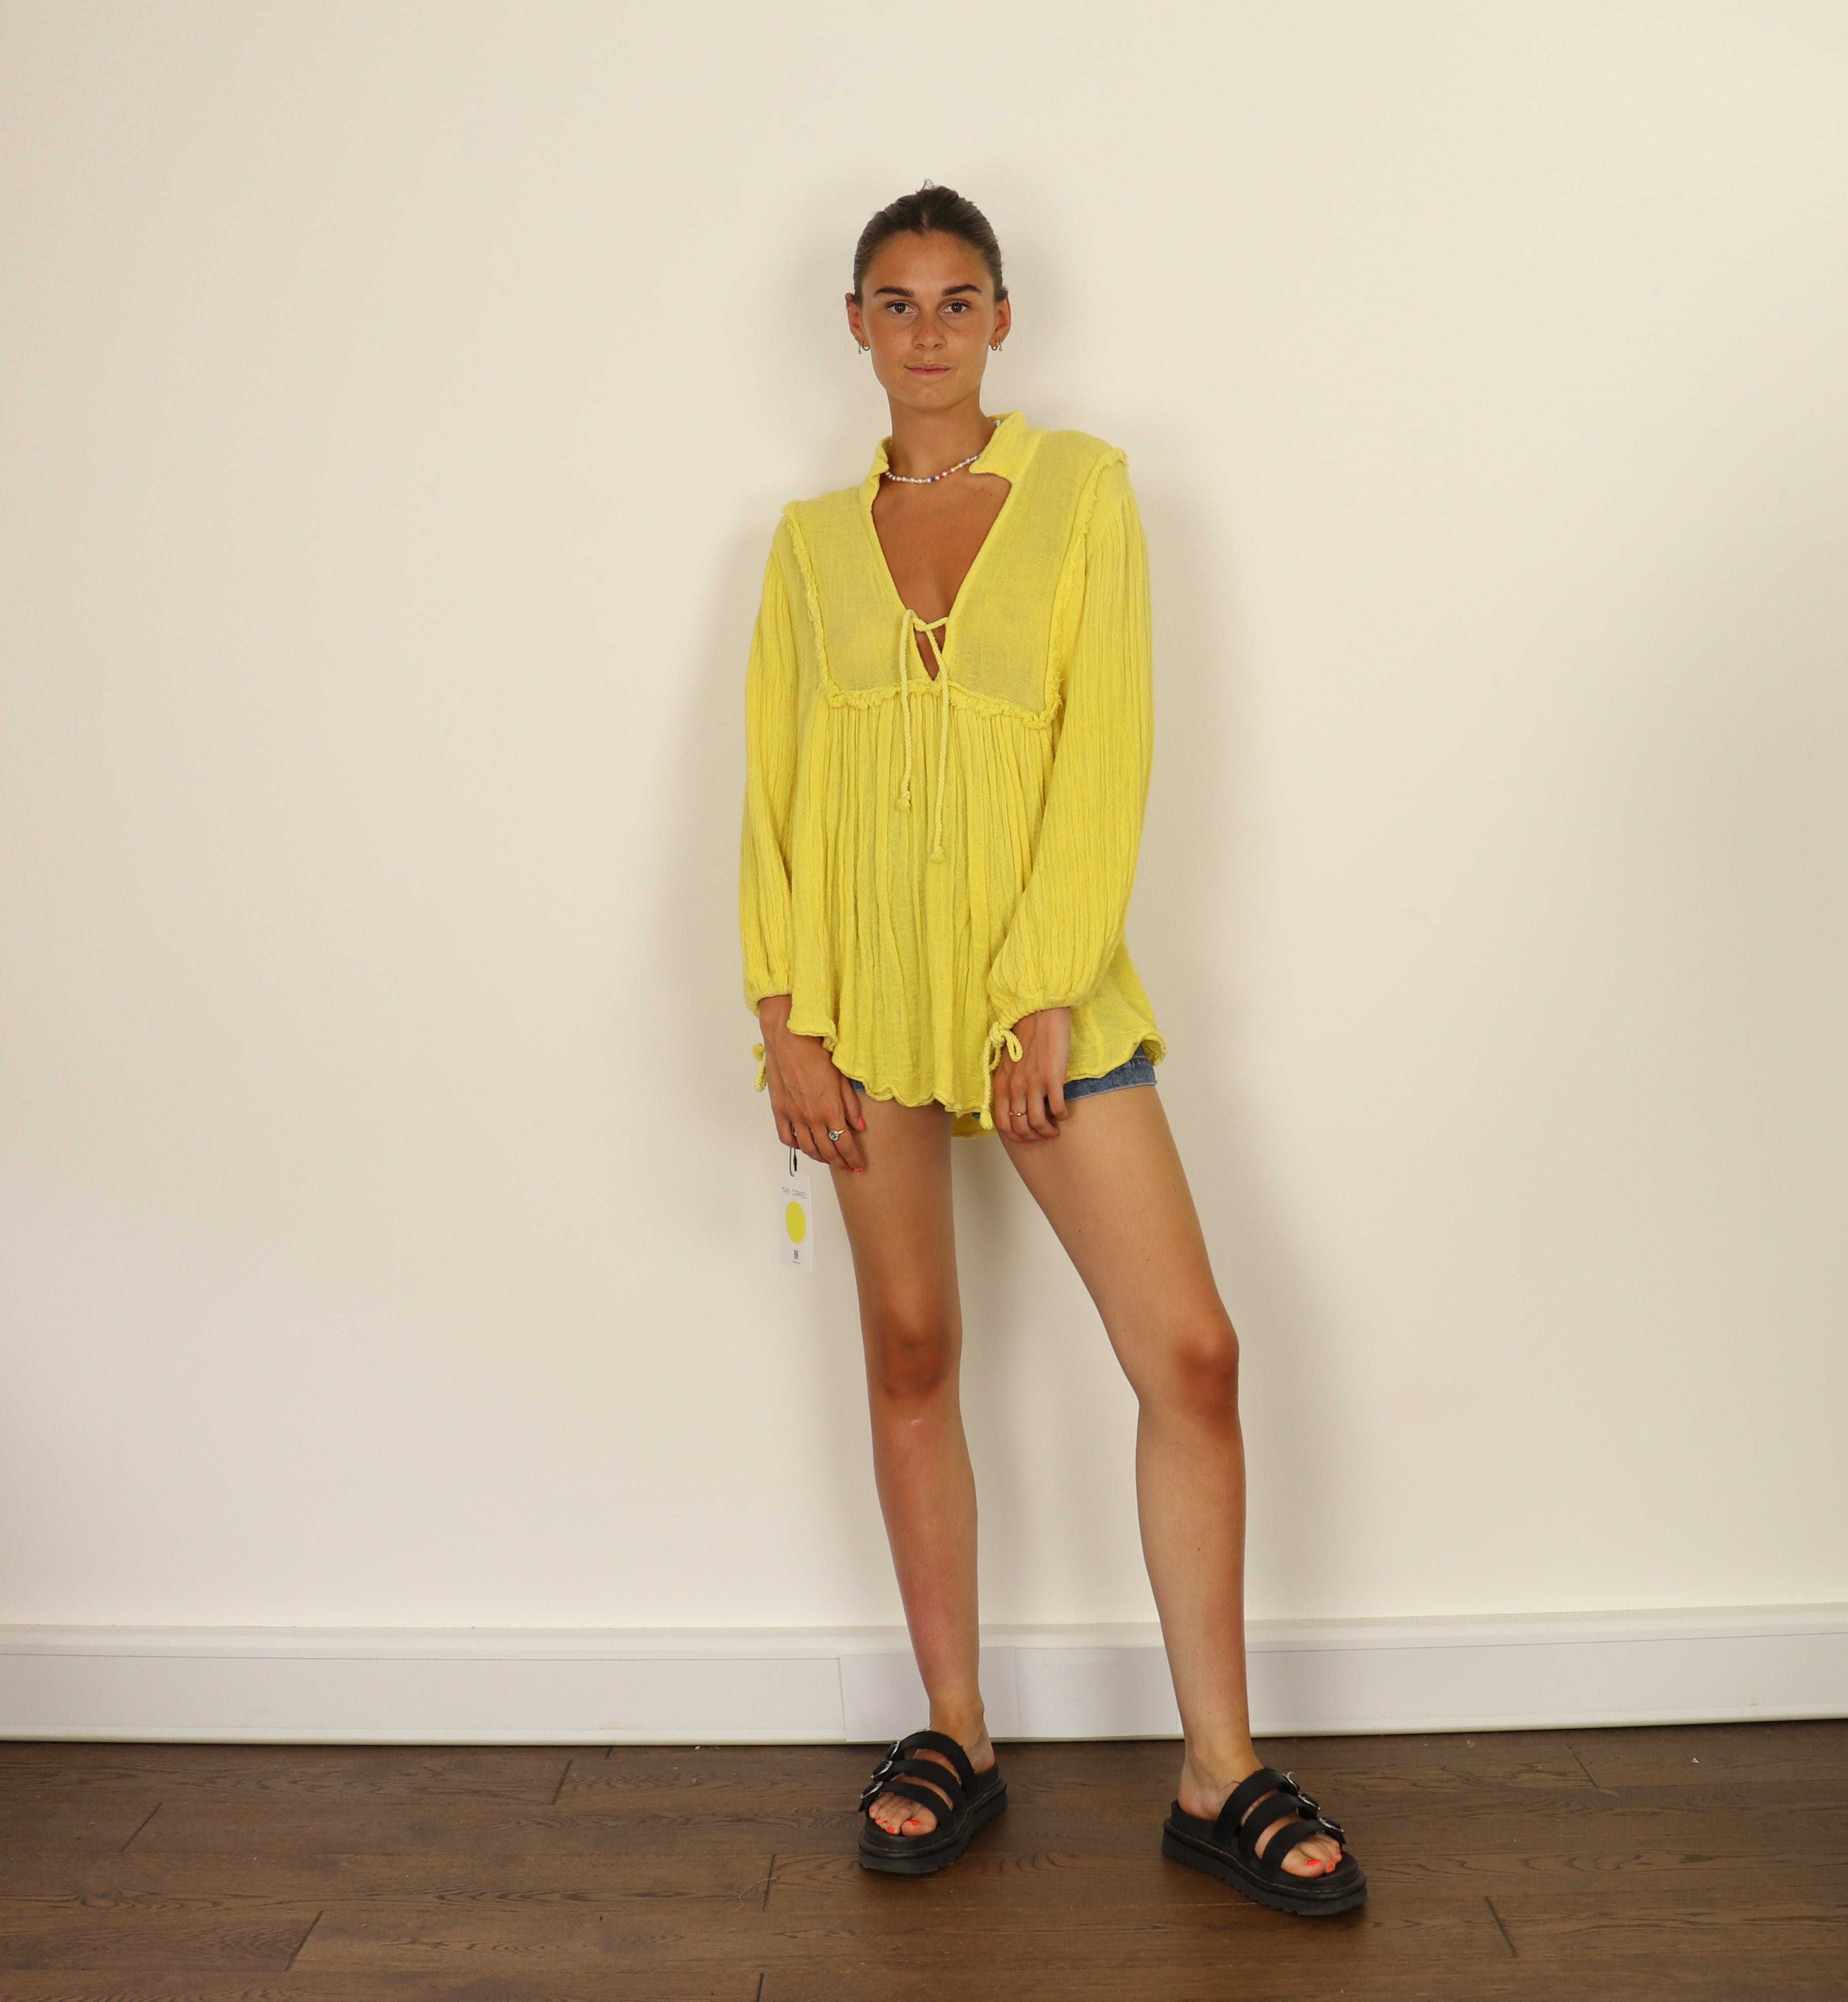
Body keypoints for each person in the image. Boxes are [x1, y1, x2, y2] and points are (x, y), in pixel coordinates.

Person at [737, 184, 1364, 1917]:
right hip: (861, 1003)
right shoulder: (805, 544)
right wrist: (782, 1018)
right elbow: (772, 792)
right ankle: (955, 1729)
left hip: (1049, 1003)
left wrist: (1040, 990)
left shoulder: (1085, 491)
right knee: (912, 1352)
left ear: (1003, 320)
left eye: (959, 300)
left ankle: (1217, 1766)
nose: (928, 330)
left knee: (1194, 1357)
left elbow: (1109, 749)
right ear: (853, 326)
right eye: (897, 301)